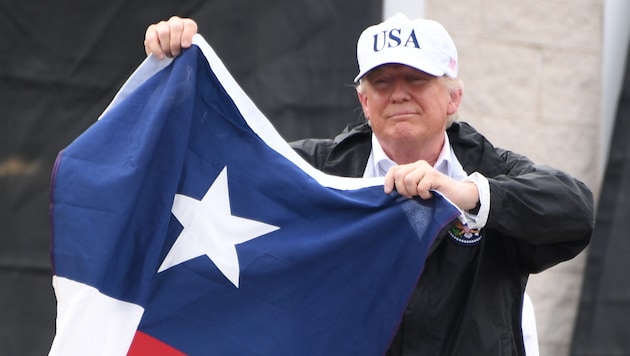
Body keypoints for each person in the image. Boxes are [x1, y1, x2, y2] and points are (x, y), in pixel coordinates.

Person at [144, 14, 593, 356]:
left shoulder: (489, 170)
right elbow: (204, 166)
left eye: (416, 79)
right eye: (382, 82)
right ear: (364, 100)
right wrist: (175, 70)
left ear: (453, 97)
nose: (398, 93)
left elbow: (574, 209)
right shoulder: (314, 169)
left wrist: (468, 195)